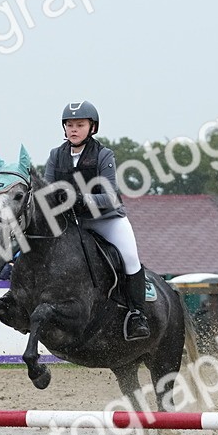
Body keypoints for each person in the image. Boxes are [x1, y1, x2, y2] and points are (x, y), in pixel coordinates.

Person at [44, 100, 150, 340]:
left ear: (92, 127)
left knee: (130, 258)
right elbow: (46, 191)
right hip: (72, 224)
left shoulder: (103, 155)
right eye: (69, 125)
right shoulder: (55, 156)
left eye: (80, 125)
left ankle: (137, 315)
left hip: (106, 220)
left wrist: (81, 198)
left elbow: (111, 196)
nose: (73, 129)